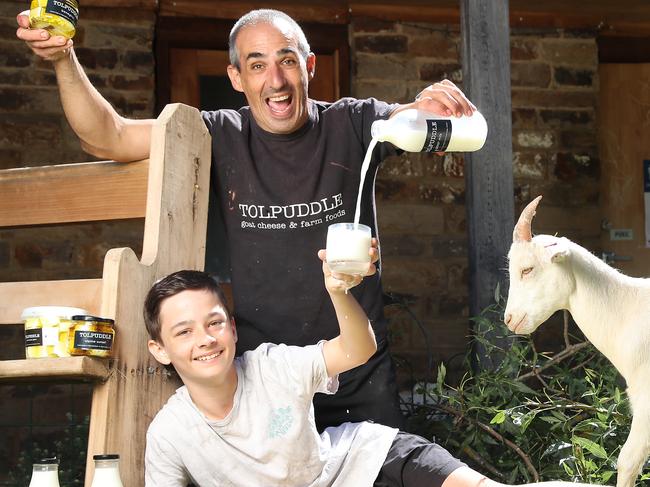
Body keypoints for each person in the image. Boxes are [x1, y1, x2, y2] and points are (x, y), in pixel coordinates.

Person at [16, 8, 476, 431]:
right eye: (256, 65)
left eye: (288, 61)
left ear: (310, 66)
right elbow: (109, 138)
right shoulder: (217, 133)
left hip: (361, 376)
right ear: (236, 77)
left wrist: (430, 106)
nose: (275, 80)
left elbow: (411, 119)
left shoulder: (353, 124)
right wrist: (64, 59)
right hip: (266, 383)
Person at [142, 262, 608, 487]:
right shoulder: (171, 433)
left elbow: (358, 348)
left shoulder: (271, 367)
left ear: (232, 328)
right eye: (183, 332)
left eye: (214, 322)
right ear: (159, 350)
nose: (204, 339)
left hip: (370, 462)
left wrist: (338, 292)